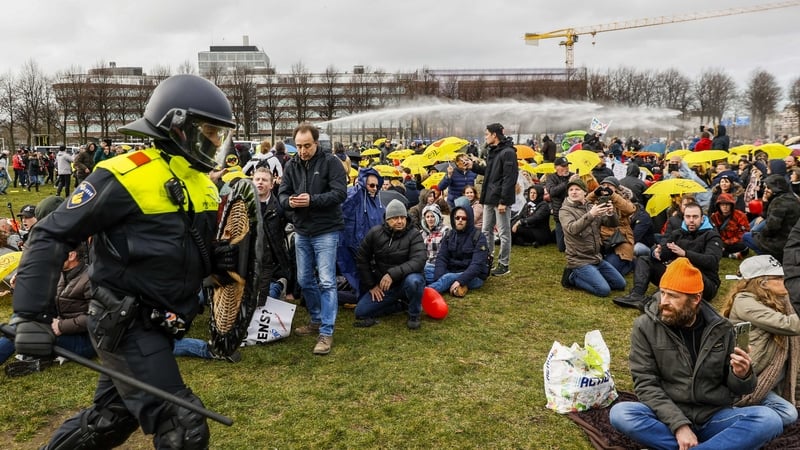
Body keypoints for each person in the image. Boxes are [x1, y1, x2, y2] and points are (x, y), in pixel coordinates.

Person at [10, 74, 238, 448]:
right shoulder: (123, 175)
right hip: (125, 323)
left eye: (219, 133)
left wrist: (215, 259)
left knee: (109, 421)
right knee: (182, 426)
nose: (216, 141)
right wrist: (30, 315)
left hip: (164, 323)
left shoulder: (203, 184)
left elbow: (177, 249)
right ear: (176, 126)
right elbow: (50, 233)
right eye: (209, 131)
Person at [609, 257, 783, 449]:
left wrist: (742, 374)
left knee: (770, 419)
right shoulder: (645, 326)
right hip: (666, 416)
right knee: (622, 413)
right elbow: (645, 384)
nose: (664, 302)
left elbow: (740, 390)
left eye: (673, 296)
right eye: (663, 293)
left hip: (713, 416)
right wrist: (679, 425)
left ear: (695, 299)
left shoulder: (722, 328)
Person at [279, 123, 347, 356]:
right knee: (304, 279)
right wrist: (289, 202)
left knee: (327, 281)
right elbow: (282, 193)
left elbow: (340, 193)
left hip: (326, 230)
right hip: (302, 231)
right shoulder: (291, 165)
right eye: (299, 146)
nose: (302, 151)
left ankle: (326, 332)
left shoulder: (331, 162)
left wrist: (312, 200)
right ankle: (316, 319)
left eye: (307, 146)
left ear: (316, 143)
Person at [722, 255, 800, 427]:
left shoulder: (781, 301)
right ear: (762, 282)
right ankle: (735, 417)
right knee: (788, 414)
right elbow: (791, 325)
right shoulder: (744, 302)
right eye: (779, 277)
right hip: (749, 380)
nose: (785, 280)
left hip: (771, 379)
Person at [1, 243, 96, 371]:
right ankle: (38, 355)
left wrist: (61, 326)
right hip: (65, 330)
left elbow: (96, 318)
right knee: (22, 317)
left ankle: (35, 353)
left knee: (23, 329)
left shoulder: (90, 279)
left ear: (72, 255)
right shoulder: (61, 274)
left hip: (86, 342)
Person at [614, 202, 723, 308]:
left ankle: (654, 301)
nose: (691, 220)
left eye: (695, 217)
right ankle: (636, 295)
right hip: (677, 276)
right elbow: (666, 251)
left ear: (702, 219)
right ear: (683, 218)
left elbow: (712, 261)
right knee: (644, 259)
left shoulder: (712, 236)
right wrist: (657, 252)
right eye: (688, 216)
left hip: (704, 281)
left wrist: (685, 254)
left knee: (681, 264)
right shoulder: (678, 233)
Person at [353, 199, 426, 329]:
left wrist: (392, 275)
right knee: (361, 312)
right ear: (387, 219)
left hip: (406, 282)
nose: (400, 221)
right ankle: (400, 305)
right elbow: (362, 258)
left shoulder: (414, 234)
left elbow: (419, 260)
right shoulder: (375, 233)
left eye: (403, 217)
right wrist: (371, 285)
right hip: (385, 286)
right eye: (395, 218)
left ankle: (414, 314)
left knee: (415, 281)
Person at [559, 178, 626, 297]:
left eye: (577, 189)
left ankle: (594, 274)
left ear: (585, 192)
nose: (574, 192)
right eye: (571, 190)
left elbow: (612, 224)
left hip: (596, 257)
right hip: (579, 260)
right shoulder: (565, 210)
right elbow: (572, 229)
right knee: (604, 291)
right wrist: (591, 215)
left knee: (620, 284)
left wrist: (610, 213)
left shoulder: (591, 206)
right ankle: (572, 277)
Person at [465, 123, 516, 276]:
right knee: (486, 231)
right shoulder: (493, 151)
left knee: (504, 233)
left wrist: (503, 201)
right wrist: (473, 166)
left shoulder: (508, 152)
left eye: (487, 134)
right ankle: (487, 260)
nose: (485, 137)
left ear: (494, 135)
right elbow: (489, 172)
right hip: (489, 198)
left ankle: (504, 264)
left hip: (500, 200)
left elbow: (509, 178)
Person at [338, 168, 386, 295]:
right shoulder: (354, 195)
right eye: (371, 185)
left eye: (377, 186)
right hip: (352, 246)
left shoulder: (378, 203)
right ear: (364, 183)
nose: (375, 188)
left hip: (371, 250)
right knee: (355, 277)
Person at [429, 204, 489, 297]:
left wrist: (460, 280)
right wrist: (439, 277)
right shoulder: (449, 235)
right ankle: (447, 285)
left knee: (448, 278)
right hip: (451, 270)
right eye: (457, 218)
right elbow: (442, 257)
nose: (460, 220)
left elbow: (477, 265)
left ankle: (423, 295)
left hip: (473, 276)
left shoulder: (479, 237)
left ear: (469, 219)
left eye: (464, 218)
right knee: (426, 269)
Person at [743, 174, 800, 262]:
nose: (765, 190)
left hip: (780, 243)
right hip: (792, 240)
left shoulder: (779, 202)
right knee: (753, 228)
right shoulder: (791, 198)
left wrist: (759, 235)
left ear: (777, 188)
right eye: (765, 187)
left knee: (746, 236)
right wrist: (765, 201)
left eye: (769, 188)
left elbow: (772, 227)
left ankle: (771, 258)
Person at [545, 156, 574, 252]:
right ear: (556, 167)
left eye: (567, 166)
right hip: (560, 213)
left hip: (573, 211)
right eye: (563, 166)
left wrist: (578, 182)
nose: (566, 168)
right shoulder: (551, 178)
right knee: (562, 247)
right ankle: (554, 235)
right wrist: (568, 182)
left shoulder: (573, 176)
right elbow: (552, 192)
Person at [710, 193, 751, 260]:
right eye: (722, 204)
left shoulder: (740, 215)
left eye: (727, 204)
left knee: (744, 244)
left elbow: (744, 232)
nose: (725, 207)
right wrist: (719, 242)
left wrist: (726, 243)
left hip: (734, 242)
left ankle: (723, 252)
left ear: (731, 205)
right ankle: (729, 255)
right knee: (711, 244)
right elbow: (712, 233)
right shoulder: (714, 217)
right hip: (720, 242)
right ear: (718, 206)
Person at [420, 203, 449, 283]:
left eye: (432, 216)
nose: (430, 219)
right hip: (424, 265)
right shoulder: (421, 233)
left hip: (438, 265)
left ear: (437, 217)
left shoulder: (445, 231)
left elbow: (445, 253)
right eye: (427, 217)